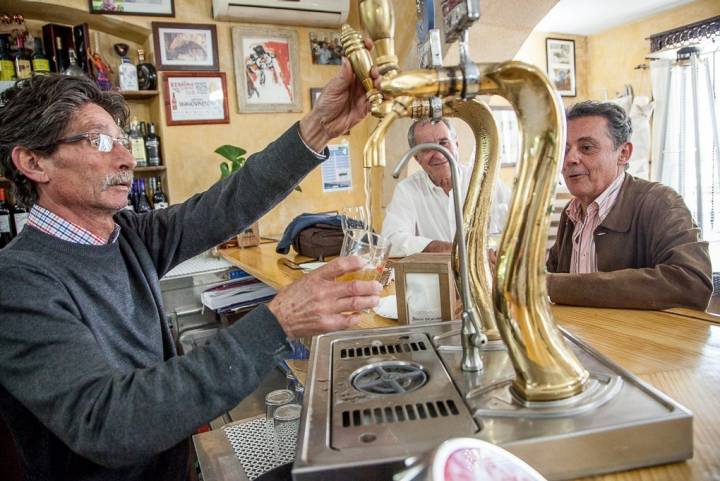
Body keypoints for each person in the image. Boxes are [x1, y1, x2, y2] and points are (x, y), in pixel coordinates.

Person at [0, 57, 380, 480]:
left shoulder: (124, 235)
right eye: (99, 142)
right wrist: (278, 322)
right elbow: (109, 422)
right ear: (33, 163)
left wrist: (321, 126)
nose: (126, 157)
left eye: (123, 141)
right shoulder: (17, 282)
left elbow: (226, 204)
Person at [546, 100, 712, 310]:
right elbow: (549, 276)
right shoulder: (572, 213)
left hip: (639, 342)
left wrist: (550, 284)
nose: (570, 159)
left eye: (586, 148)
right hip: (580, 339)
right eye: (565, 149)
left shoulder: (661, 203)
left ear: (623, 153)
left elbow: (692, 283)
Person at [381, 118, 510, 257]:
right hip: (436, 277)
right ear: (417, 158)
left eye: (444, 143)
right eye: (427, 148)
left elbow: (521, 228)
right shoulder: (407, 190)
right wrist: (448, 249)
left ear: (456, 144)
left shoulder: (485, 182)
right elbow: (391, 242)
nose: (439, 153)